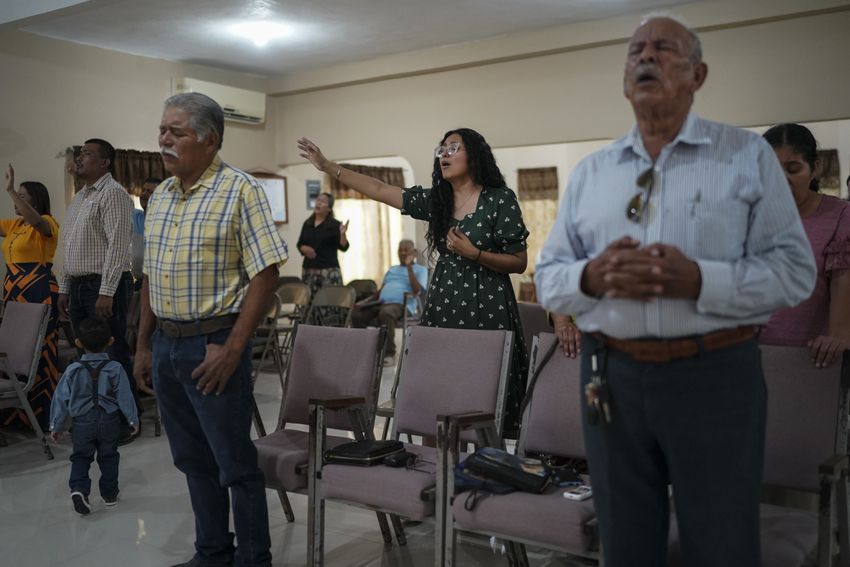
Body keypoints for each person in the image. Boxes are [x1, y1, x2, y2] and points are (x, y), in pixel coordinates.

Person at [535, 14, 815, 567]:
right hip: (609, 377)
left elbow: (794, 272)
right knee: (626, 542)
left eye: (663, 48)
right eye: (636, 49)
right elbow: (548, 277)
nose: (646, 56)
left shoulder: (744, 156)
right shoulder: (593, 173)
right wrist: (589, 277)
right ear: (623, 80)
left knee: (721, 543)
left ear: (698, 74)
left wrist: (702, 280)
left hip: (714, 375)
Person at [134, 92, 288, 567]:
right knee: (192, 461)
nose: (163, 139)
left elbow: (266, 275)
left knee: (235, 466)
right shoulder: (160, 196)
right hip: (166, 346)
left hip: (213, 345)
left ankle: (253, 559)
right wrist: (142, 345)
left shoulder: (240, 190)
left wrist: (232, 349)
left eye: (175, 131)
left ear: (209, 139)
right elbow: (151, 276)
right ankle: (212, 553)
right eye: (163, 129)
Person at [298, 127, 530, 436]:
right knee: (440, 398)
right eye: (441, 149)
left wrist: (474, 253)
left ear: (474, 156)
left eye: (453, 148)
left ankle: (485, 469)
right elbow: (379, 189)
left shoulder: (499, 200)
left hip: (487, 307)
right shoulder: (438, 202)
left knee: (485, 398)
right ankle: (441, 474)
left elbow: (519, 261)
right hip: (444, 307)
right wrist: (328, 167)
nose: (444, 154)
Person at [58, 137, 138, 442]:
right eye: (79, 154)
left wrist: (107, 291)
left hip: (103, 287)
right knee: (86, 354)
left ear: (104, 162)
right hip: (79, 286)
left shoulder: (114, 194)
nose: (80, 159)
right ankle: (95, 418)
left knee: (113, 354)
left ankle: (125, 422)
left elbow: (118, 246)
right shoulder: (80, 198)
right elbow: (69, 247)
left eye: (87, 155)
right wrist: (65, 287)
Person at [760, 124, 850, 367]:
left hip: (811, 359)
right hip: (750, 354)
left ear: (816, 167)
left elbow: (844, 279)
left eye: (793, 169)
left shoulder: (841, 215)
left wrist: (839, 335)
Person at [48, 317, 138, 516]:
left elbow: (61, 400)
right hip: (109, 420)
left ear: (78, 343)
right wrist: (132, 420)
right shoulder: (116, 368)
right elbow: (125, 396)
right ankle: (109, 495)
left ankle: (79, 489)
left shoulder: (72, 370)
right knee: (109, 457)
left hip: (82, 423)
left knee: (80, 457)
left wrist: (57, 426)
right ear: (111, 341)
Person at [0, 165, 61, 431]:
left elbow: (38, 222)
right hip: (13, 288)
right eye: (16, 196)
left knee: (39, 349)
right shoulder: (14, 225)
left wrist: (11, 190)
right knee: (13, 348)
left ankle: (43, 416)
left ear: (34, 200)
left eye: (23, 196)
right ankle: (13, 417)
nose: (15, 201)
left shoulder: (48, 222)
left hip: (38, 288)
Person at [351, 239, 428, 358]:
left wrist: (409, 267)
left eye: (406, 250)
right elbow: (380, 292)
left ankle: (389, 354)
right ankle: (362, 351)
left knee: (386, 313)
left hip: (402, 304)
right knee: (356, 314)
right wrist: (364, 302)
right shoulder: (392, 269)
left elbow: (418, 291)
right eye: (400, 250)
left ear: (414, 253)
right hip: (381, 303)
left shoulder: (421, 270)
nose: (403, 253)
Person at [296, 191, 349, 297]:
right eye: (318, 200)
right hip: (309, 271)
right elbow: (300, 243)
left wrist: (343, 234)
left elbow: (344, 247)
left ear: (329, 209)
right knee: (309, 305)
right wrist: (304, 248)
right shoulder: (307, 223)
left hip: (328, 271)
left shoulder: (335, 225)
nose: (318, 203)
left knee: (328, 304)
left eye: (323, 201)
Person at [131, 177, 160, 281]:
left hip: (158, 282)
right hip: (139, 281)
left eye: (149, 192)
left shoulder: (165, 223)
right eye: (143, 190)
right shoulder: (134, 216)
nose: (143, 194)